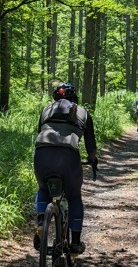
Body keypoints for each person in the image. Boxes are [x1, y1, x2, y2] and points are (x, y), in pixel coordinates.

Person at [33, 82, 98, 254]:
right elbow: (90, 143)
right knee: (74, 196)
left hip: (42, 154)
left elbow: (39, 131)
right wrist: (93, 160)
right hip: (68, 158)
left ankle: (41, 222)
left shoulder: (46, 111)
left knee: (43, 188)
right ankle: (75, 243)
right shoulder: (83, 112)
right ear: (74, 97)